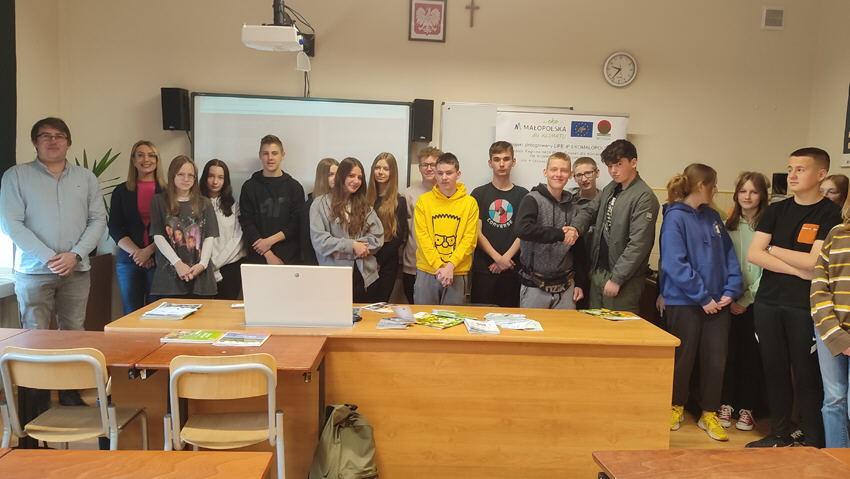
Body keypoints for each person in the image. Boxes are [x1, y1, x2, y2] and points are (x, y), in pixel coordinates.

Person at [746, 147, 841, 448]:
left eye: (801, 169)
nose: (792, 175)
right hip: (768, 302)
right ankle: (779, 433)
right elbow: (754, 253)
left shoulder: (830, 213)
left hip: (804, 306)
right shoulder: (776, 210)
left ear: (821, 174)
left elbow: (814, 262)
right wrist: (798, 269)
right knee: (774, 369)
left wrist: (774, 250)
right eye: (790, 169)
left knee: (806, 373)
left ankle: (812, 437)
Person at [0, 117, 107, 330]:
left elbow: (97, 220)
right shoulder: (16, 176)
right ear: (35, 142)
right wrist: (50, 258)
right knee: (34, 335)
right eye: (46, 136)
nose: (53, 140)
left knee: (74, 332)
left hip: (76, 269)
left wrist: (75, 255)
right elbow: (11, 223)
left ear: (68, 143)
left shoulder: (86, 178)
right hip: (33, 271)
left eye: (59, 136)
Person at [661, 163, 742, 442]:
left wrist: (731, 290)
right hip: (685, 302)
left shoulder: (713, 217)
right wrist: (702, 296)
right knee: (682, 358)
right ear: (700, 186)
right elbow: (675, 263)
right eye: (713, 184)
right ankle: (675, 406)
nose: (716, 189)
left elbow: (729, 256)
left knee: (715, 360)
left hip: (718, 302)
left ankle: (709, 412)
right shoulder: (674, 217)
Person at [569, 139, 660, 314]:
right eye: (610, 166)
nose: (613, 171)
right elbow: (590, 210)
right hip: (599, 271)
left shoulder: (644, 196)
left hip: (623, 279)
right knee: (594, 323)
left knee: (617, 325)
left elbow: (639, 244)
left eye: (619, 164)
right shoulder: (612, 188)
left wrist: (617, 278)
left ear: (633, 162)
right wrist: (575, 228)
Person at [717, 172, 770, 432]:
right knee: (728, 354)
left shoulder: (768, 226)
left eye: (753, 192)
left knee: (751, 356)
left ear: (762, 195)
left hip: (756, 303)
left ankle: (747, 408)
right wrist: (730, 296)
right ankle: (725, 403)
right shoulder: (727, 225)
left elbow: (766, 270)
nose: (747, 197)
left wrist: (747, 299)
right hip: (728, 300)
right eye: (743, 191)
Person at [514, 152, 584, 309]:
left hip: (566, 286)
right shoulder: (532, 199)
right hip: (534, 285)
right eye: (554, 169)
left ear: (570, 175)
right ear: (545, 172)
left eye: (563, 170)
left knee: (565, 326)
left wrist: (580, 282)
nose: (558, 174)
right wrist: (560, 234)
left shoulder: (573, 206)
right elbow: (522, 229)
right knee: (532, 325)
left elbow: (579, 248)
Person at [310, 157, 384, 302]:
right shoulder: (319, 204)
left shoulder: (365, 206)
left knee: (364, 316)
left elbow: (377, 237)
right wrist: (352, 246)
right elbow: (320, 241)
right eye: (351, 175)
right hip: (334, 278)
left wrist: (342, 251)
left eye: (359, 177)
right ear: (341, 176)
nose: (356, 181)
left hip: (365, 277)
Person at [413, 152, 479, 305]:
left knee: (452, 318)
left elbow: (469, 240)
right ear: (435, 174)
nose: (444, 177)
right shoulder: (424, 201)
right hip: (428, 270)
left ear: (458, 174)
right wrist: (439, 266)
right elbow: (422, 238)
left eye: (449, 173)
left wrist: (450, 266)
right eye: (440, 173)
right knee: (423, 317)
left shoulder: (470, 203)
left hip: (457, 271)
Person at [150, 156, 219, 300]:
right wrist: (178, 264)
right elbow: (158, 236)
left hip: (200, 276)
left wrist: (202, 265)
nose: (186, 179)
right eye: (181, 174)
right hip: (170, 277)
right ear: (172, 175)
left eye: (190, 175)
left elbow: (209, 237)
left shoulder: (204, 203)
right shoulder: (159, 201)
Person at [108, 140, 165, 314]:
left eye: (151, 155)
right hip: (129, 260)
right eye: (140, 155)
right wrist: (138, 253)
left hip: (160, 259)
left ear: (157, 160)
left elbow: (171, 228)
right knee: (131, 312)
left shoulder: (167, 191)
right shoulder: (121, 191)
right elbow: (115, 227)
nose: (146, 159)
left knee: (159, 312)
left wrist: (149, 251)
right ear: (133, 160)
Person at [811, 196, 850, 448]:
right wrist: (836, 334)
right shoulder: (837, 233)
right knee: (834, 399)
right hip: (830, 329)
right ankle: (838, 460)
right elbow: (818, 285)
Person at [470, 141, 528, 307]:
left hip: (512, 268)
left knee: (511, 318)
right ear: (490, 163)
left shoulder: (524, 195)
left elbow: (524, 232)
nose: (501, 164)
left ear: (513, 162)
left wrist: (506, 259)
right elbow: (476, 232)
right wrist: (498, 258)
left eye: (506, 159)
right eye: (496, 159)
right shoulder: (478, 194)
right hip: (484, 269)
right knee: (480, 317)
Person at [239, 135, 305, 265]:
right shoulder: (249, 187)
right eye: (266, 153)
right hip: (258, 257)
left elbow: (296, 223)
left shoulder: (294, 187)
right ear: (260, 155)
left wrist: (269, 242)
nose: (270, 158)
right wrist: (268, 253)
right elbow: (247, 223)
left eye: (274, 153)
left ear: (282, 155)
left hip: (288, 258)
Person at [200, 159, 246, 300]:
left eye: (220, 177)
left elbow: (237, 238)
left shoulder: (234, 206)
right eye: (211, 176)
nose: (215, 181)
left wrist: (215, 263)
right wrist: (206, 263)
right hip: (201, 267)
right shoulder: (195, 204)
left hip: (229, 267)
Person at [365, 152, 408, 302]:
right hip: (365, 259)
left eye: (386, 168)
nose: (380, 172)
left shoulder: (399, 201)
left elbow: (399, 237)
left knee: (380, 304)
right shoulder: (364, 199)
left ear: (392, 172)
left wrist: (378, 261)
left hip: (386, 263)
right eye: (377, 168)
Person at [402, 146, 442, 303]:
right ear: (419, 168)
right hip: (413, 264)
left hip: (442, 264)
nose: (429, 168)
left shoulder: (447, 193)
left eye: (433, 164)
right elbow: (403, 231)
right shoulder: (408, 194)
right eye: (425, 165)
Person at [569, 156, 600, 309]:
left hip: (600, 267)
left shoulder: (607, 200)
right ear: (574, 177)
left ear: (597, 173)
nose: (584, 179)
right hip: (576, 267)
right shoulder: (569, 202)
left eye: (588, 173)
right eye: (579, 175)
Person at [302, 158, 339, 265]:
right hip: (318, 264)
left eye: (338, 174)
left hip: (340, 262)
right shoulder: (310, 205)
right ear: (322, 177)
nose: (336, 178)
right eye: (330, 174)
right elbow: (306, 244)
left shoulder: (343, 202)